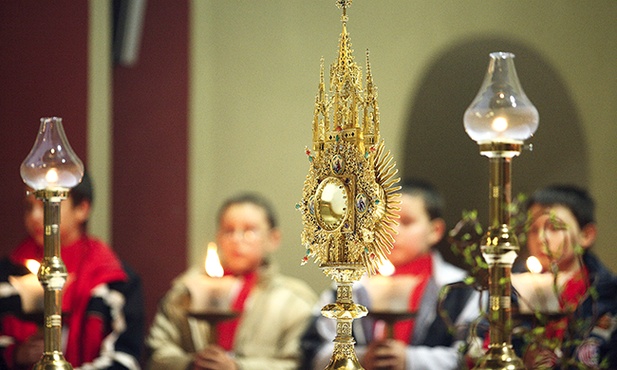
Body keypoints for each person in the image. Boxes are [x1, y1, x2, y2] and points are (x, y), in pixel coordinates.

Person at [302, 179, 482, 370]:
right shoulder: (351, 285)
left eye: (406, 222)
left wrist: (411, 360)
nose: (392, 231)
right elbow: (313, 349)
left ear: (434, 230)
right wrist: (360, 357)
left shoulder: (459, 288)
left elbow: (473, 355)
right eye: (384, 221)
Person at [146, 193, 318, 370]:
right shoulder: (186, 292)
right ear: (218, 236)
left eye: (249, 231)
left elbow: (298, 363)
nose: (237, 239)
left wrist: (238, 367)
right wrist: (190, 364)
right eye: (229, 230)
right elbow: (157, 351)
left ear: (273, 239)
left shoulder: (294, 300)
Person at [0, 172, 145, 370]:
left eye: (46, 205)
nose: (34, 216)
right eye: (29, 206)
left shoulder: (114, 279)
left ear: (82, 209)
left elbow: (125, 357)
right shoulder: (9, 272)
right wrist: (15, 354)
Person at [513, 184, 617, 369]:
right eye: (533, 229)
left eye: (554, 227)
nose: (541, 238)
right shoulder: (514, 288)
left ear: (586, 235)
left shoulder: (607, 294)